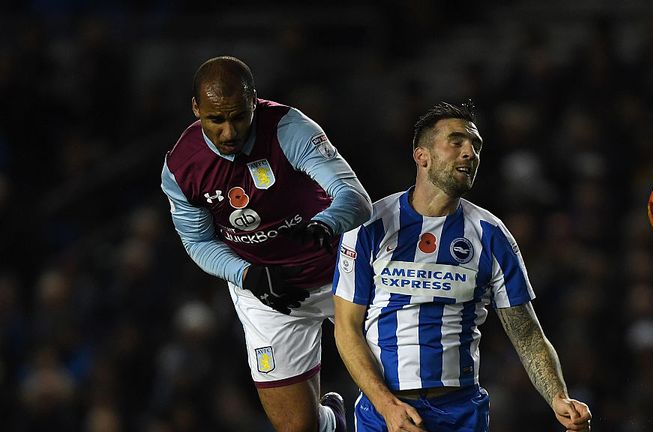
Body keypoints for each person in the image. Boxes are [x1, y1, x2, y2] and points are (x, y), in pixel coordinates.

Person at [332, 101, 592, 431]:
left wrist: (558, 396)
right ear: (421, 155)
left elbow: (526, 334)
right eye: (456, 142)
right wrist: (387, 406)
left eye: (476, 146)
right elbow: (346, 328)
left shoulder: (491, 234)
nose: (470, 153)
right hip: (383, 410)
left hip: (460, 413)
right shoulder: (369, 226)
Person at [161, 55, 372, 432]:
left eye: (239, 116)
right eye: (216, 120)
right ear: (196, 109)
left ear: (254, 101)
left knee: (402, 394)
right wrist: (248, 276)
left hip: (343, 276)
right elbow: (197, 241)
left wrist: (322, 226)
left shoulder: (289, 128)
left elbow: (354, 198)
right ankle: (334, 424)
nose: (229, 132)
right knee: (297, 428)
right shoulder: (181, 167)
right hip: (270, 293)